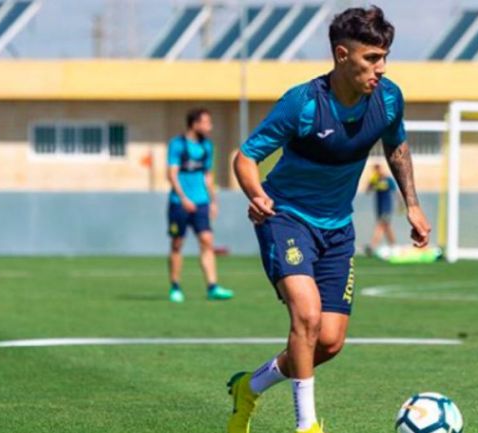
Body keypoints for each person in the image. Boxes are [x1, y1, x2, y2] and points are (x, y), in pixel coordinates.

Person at [229, 6, 430, 433]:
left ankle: (250, 386)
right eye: (371, 59)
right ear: (342, 55)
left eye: (384, 57)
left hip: (338, 228)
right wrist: (257, 194)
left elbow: (396, 147)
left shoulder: (389, 98)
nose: (381, 68)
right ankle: (308, 425)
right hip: (286, 218)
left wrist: (411, 203)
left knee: (329, 341)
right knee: (306, 315)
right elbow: (245, 157)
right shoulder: (302, 104)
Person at [166, 108, 233, 302]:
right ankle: (175, 286)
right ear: (194, 124)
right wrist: (184, 198)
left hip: (201, 202)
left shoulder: (207, 146)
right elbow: (172, 174)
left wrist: (213, 201)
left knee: (207, 241)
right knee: (177, 243)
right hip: (179, 203)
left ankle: (212, 286)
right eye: (206, 122)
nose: (209, 127)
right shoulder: (177, 145)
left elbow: (208, 176)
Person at [367, 163, 397, 252]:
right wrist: (371, 182)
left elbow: (395, 191)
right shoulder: (375, 180)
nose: (376, 171)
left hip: (387, 207)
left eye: (377, 169)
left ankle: (372, 246)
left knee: (380, 225)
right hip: (379, 207)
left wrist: (400, 204)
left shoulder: (388, 180)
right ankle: (393, 245)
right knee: (387, 226)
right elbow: (368, 191)